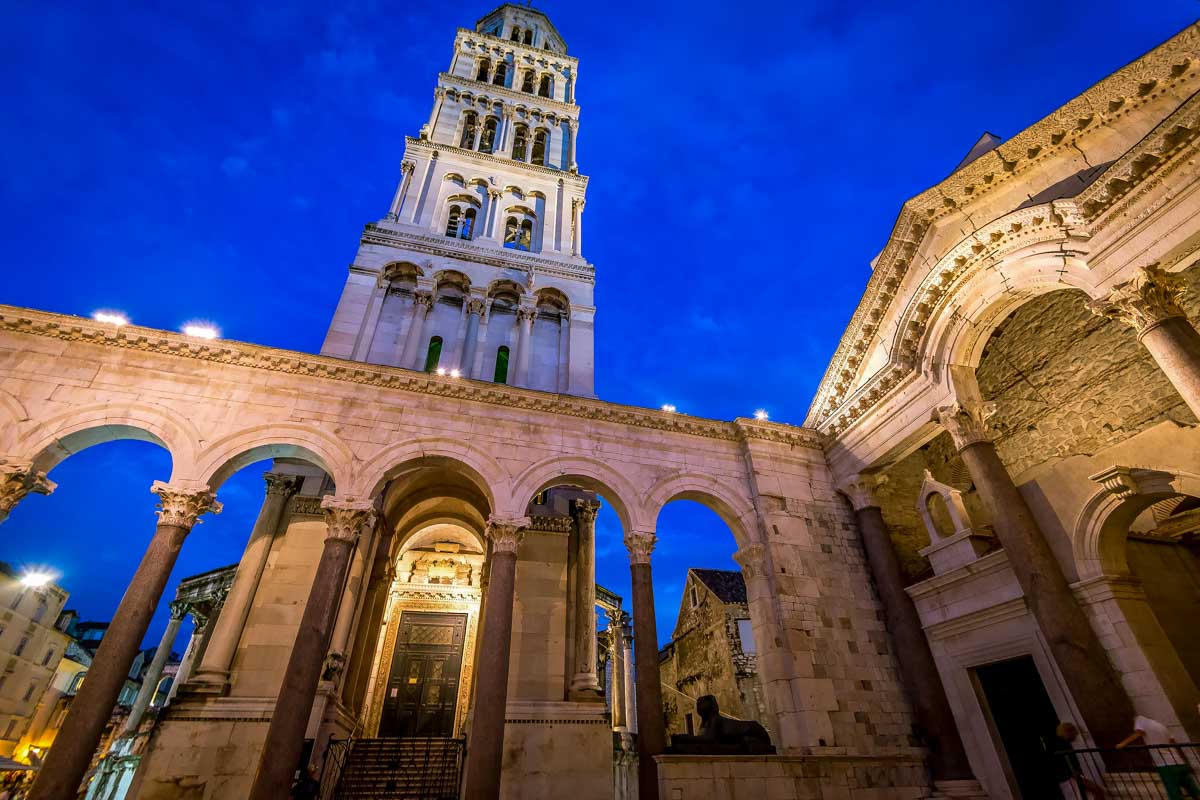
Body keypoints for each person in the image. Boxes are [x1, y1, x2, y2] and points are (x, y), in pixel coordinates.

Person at [1117, 715, 1200, 799]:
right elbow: (1173, 742)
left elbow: (1139, 732)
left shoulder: (1140, 719)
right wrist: (1183, 759)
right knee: (1193, 789)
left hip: (1165, 764)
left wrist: (1122, 744)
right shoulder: (1160, 725)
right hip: (1177, 761)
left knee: (1173, 791)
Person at [1048, 722, 1106, 799]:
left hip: (1068, 777)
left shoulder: (1058, 743)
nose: (1075, 735)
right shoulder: (1063, 745)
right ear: (1067, 732)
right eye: (1074, 732)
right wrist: (1076, 775)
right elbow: (1066, 764)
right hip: (1067, 778)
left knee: (1096, 791)